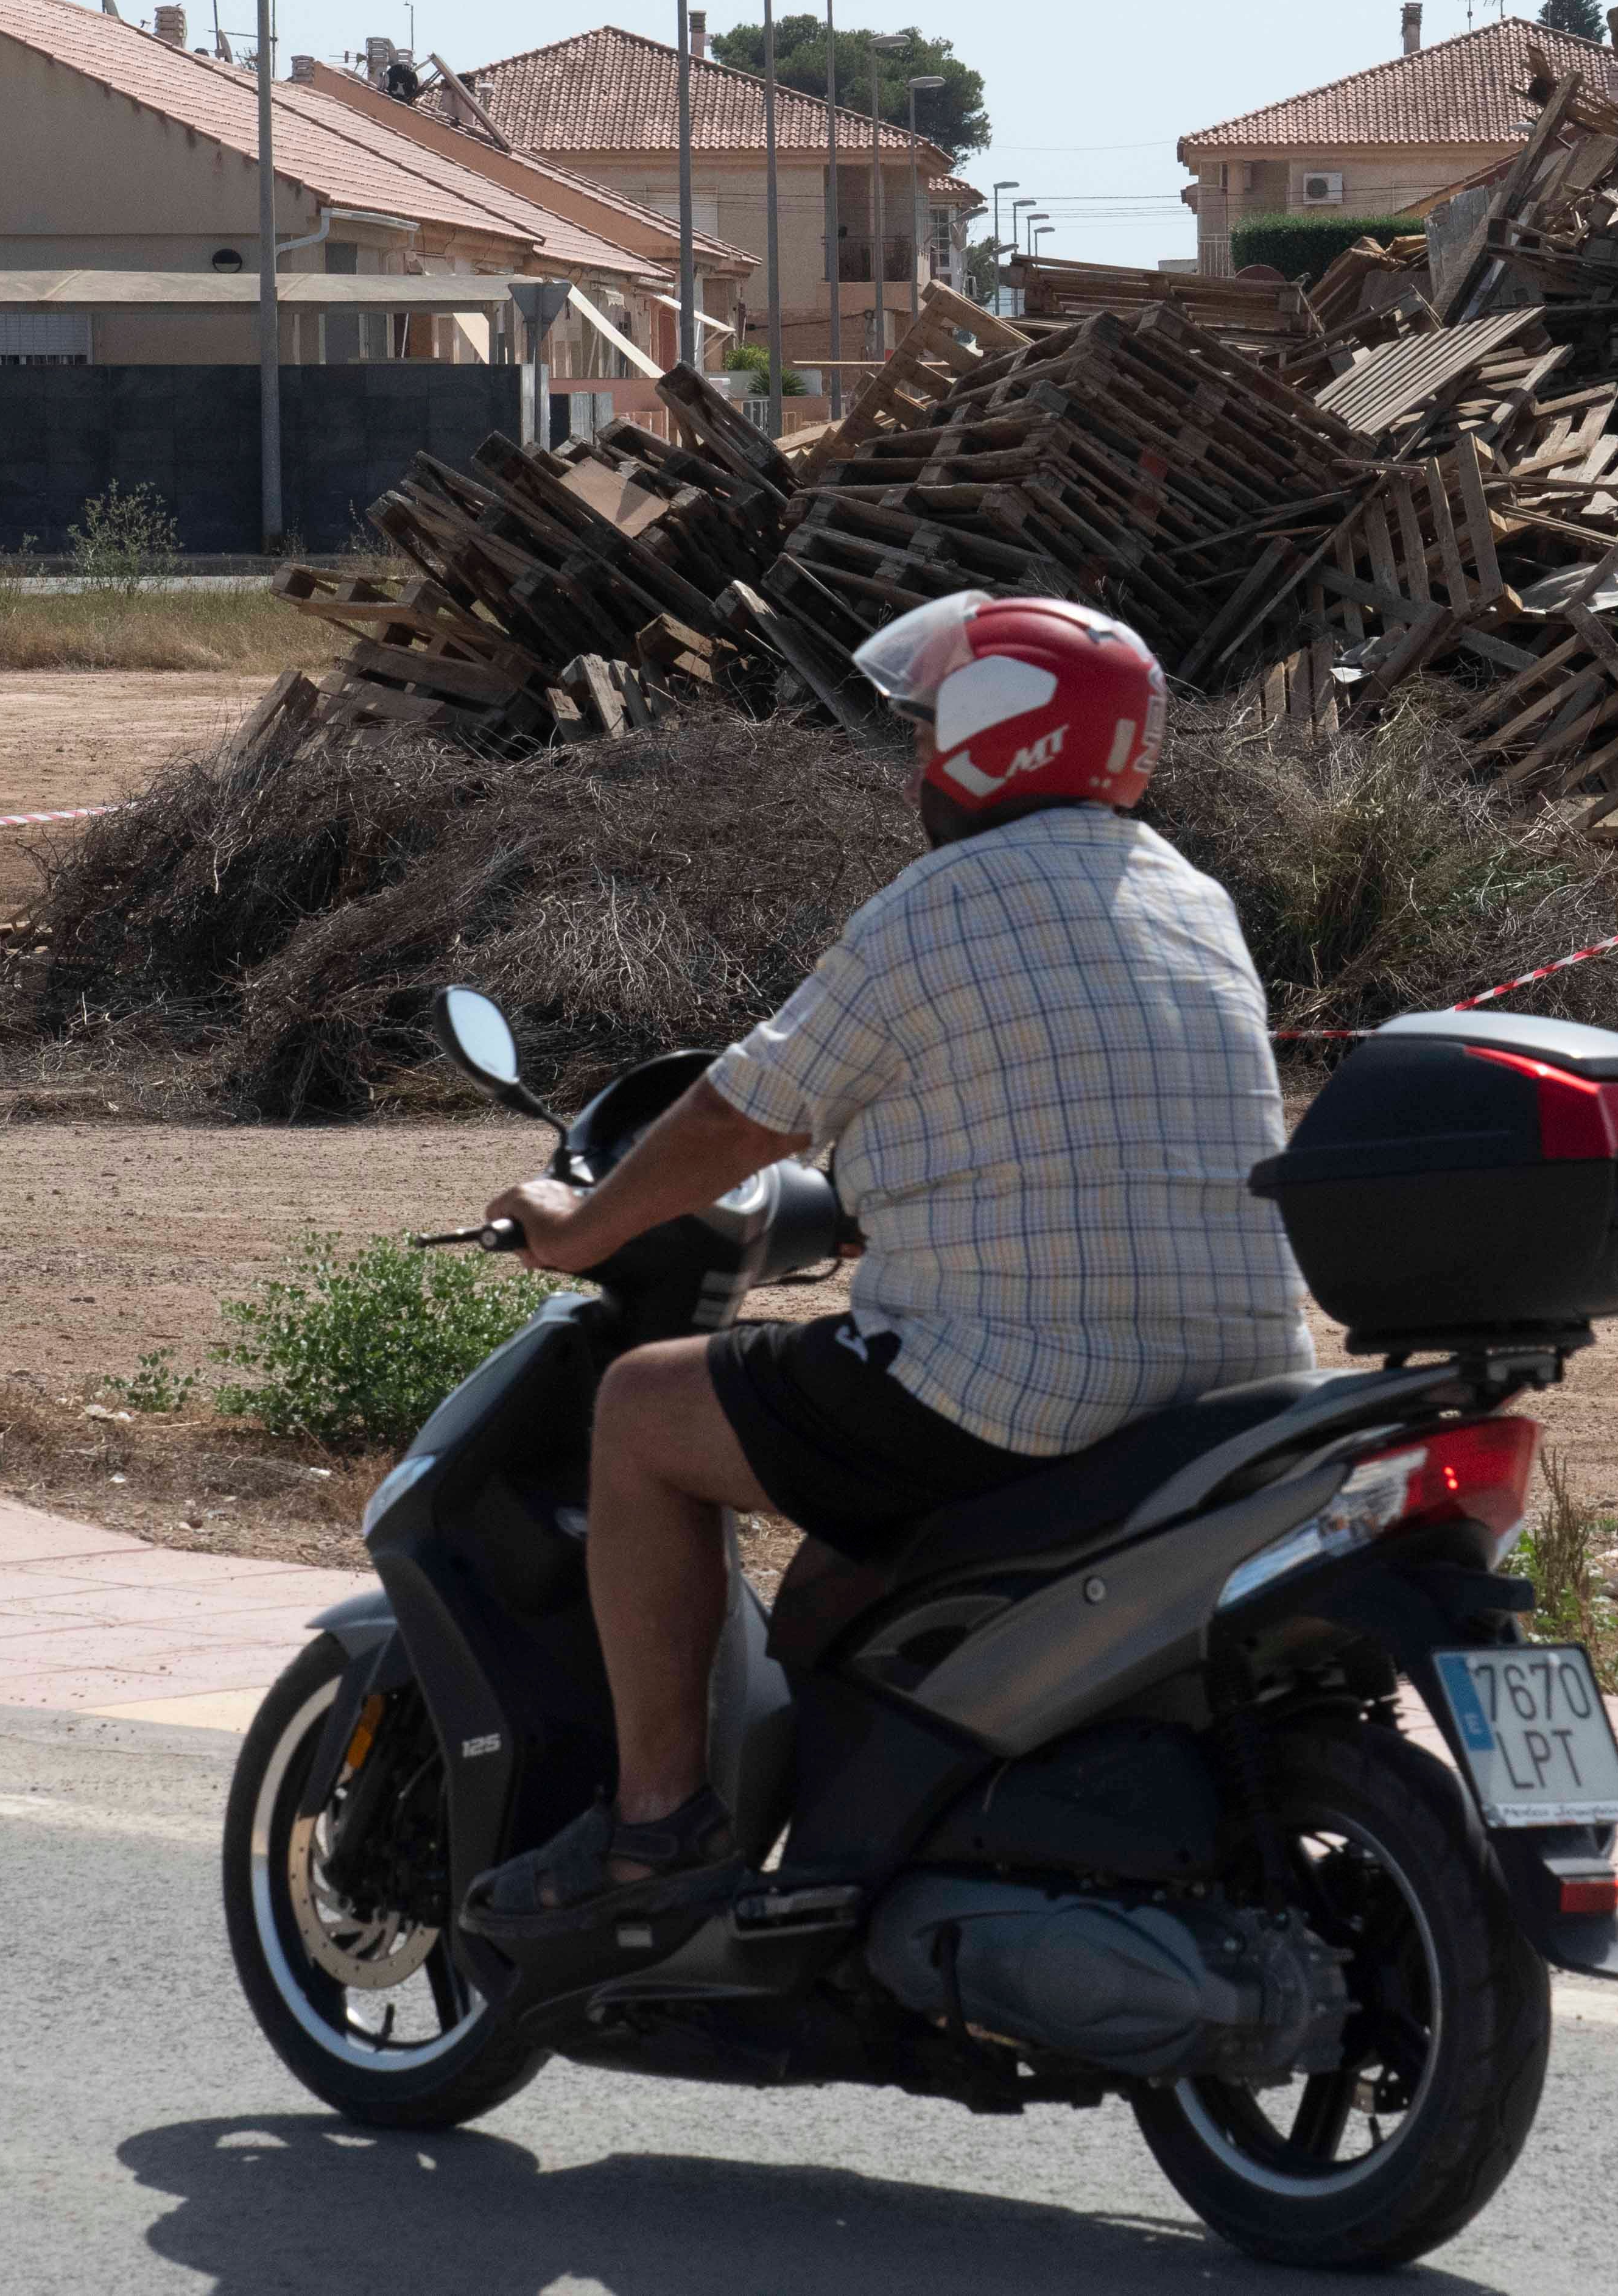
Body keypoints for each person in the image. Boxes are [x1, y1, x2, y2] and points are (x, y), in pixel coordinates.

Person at [458, 593, 1309, 1949]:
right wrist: (866, 1208)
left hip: (1012, 1394)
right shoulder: (1188, 896)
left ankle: (657, 1822)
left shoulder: (940, 902)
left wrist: (584, 1227)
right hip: (1234, 1392)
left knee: (637, 1412)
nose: (913, 760)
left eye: (924, 729)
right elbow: (1049, 1121)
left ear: (989, 742)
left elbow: (747, 1109)